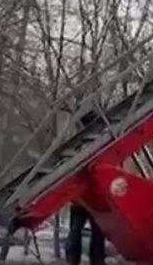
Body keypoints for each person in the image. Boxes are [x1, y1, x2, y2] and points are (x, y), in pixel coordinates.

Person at [66, 111, 106, 265]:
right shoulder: (99, 145)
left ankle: (72, 259)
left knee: (76, 230)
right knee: (96, 232)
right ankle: (96, 260)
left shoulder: (77, 146)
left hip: (80, 198)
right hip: (93, 198)